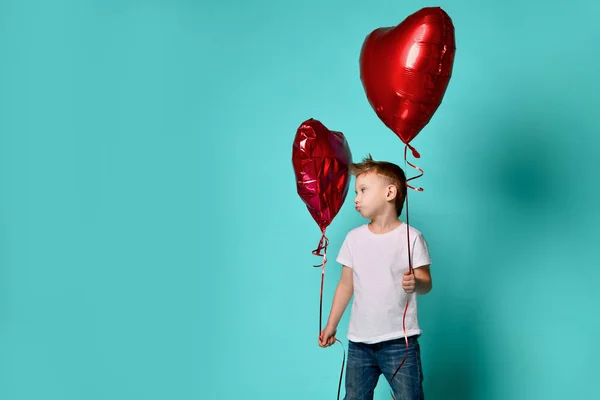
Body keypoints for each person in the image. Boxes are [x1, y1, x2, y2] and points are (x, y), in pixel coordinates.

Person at [319, 154, 432, 400]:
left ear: (389, 193)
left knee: (409, 397)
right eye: (356, 192)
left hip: (399, 344)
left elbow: (426, 282)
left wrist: (417, 282)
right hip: (359, 343)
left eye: (362, 190)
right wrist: (331, 325)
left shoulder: (411, 237)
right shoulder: (354, 238)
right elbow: (345, 285)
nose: (356, 198)